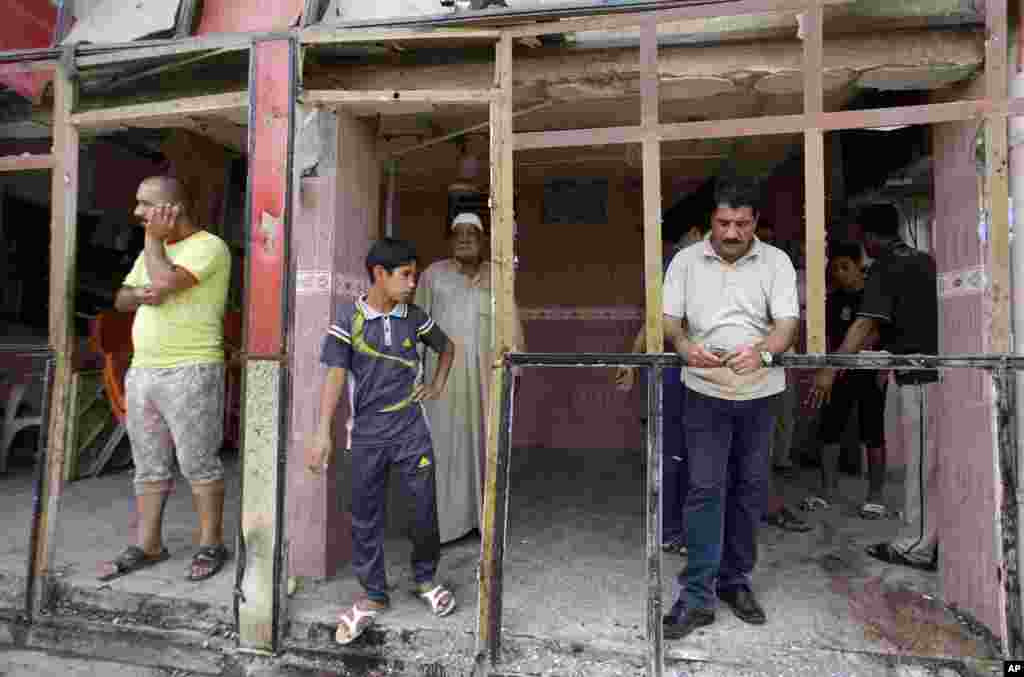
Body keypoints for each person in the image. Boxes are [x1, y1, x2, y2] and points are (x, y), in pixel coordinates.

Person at [661, 177, 800, 639]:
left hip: (760, 392)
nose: (732, 233)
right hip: (703, 389)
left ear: (755, 222)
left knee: (749, 489)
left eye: (742, 224)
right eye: (724, 223)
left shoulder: (776, 262)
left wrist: (761, 351)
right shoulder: (684, 262)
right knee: (703, 490)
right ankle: (697, 594)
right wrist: (683, 347)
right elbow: (671, 323)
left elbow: (786, 326)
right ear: (711, 223)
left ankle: (735, 581)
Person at [308, 238, 458, 646]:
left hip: (413, 432)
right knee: (365, 516)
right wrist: (322, 432)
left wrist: (436, 385)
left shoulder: (415, 318)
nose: (412, 282)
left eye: (414, 274)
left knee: (423, 508)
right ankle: (374, 594)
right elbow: (335, 376)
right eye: (406, 275)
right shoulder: (349, 320)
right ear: (379, 274)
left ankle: (425, 580)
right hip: (368, 436)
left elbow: (448, 348)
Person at [99, 176, 232, 583]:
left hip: (191, 367)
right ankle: (149, 544)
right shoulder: (154, 249)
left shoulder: (210, 246)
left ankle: (211, 543)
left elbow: (162, 283)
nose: (138, 213)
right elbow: (123, 298)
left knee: (198, 462)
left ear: (171, 209)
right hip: (144, 371)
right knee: (149, 464)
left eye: (146, 205)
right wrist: (144, 291)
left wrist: (154, 251)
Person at [808, 204, 939, 571]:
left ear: (868, 237)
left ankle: (916, 546)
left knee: (922, 466)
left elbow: (864, 325)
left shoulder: (886, 265)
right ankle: (929, 538)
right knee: (927, 465)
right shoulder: (923, 260)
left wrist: (830, 371)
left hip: (921, 376)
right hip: (929, 372)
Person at [415, 212, 524, 544]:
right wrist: (414, 372)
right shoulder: (434, 275)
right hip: (442, 381)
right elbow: (418, 324)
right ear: (450, 240)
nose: (465, 239)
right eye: (458, 233)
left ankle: (482, 521)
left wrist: (515, 369)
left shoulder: (497, 276)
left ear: (483, 239)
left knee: (484, 446)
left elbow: (511, 322)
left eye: (472, 234)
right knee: (443, 449)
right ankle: (444, 526)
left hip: (485, 381)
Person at [615, 222, 706, 556]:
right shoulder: (678, 265)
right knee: (674, 453)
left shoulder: (715, 266)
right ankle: (671, 529)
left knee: (698, 454)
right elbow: (653, 320)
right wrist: (630, 362)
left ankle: (689, 528)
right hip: (674, 370)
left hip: (709, 371)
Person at [801, 241, 889, 518]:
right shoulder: (834, 300)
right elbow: (828, 339)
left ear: (857, 266)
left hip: (869, 373)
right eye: (835, 268)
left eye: (845, 267)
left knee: (872, 433)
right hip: (837, 373)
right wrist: (825, 368)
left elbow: (878, 336)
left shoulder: (875, 296)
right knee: (829, 430)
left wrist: (882, 373)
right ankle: (827, 492)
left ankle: (875, 496)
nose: (840, 273)